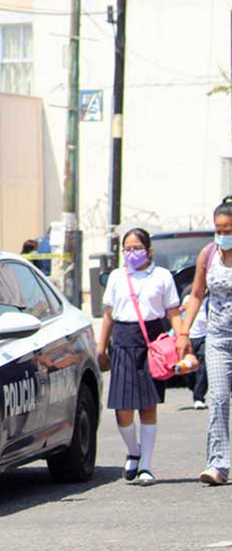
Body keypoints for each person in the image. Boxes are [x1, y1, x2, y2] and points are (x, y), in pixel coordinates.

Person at [97, 228, 187, 486]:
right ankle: (133, 451)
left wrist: (181, 339)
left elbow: (172, 312)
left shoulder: (161, 276)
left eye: (137, 248)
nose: (132, 253)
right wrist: (101, 348)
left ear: (149, 250)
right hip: (123, 342)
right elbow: (108, 315)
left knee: (148, 406)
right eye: (127, 249)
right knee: (122, 409)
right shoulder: (116, 277)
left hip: (152, 343)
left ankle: (146, 465)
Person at [181, 197, 232, 485]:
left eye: (229, 230)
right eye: (219, 230)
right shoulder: (209, 254)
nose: (223, 236)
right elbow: (197, 294)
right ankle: (218, 465)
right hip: (218, 337)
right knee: (219, 398)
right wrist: (184, 332)